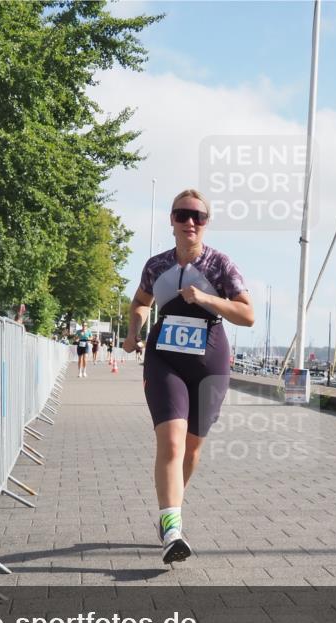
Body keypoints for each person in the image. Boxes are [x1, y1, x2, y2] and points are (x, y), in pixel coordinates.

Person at [123, 189, 254, 564]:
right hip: (164, 359)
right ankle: (172, 528)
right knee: (172, 442)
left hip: (209, 362)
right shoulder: (156, 265)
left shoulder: (220, 265)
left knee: (192, 449)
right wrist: (133, 331)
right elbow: (140, 302)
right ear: (172, 220)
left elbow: (248, 315)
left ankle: (171, 510)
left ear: (206, 222)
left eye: (198, 216)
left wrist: (206, 299)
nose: (190, 222)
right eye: (182, 215)